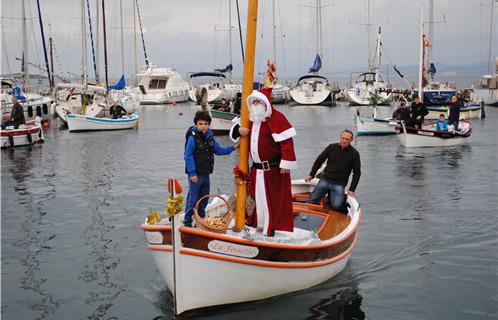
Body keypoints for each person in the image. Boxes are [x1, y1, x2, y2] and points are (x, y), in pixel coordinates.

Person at [231, 88, 297, 236]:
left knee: (271, 200)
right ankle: (257, 225)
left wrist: (286, 163)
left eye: (258, 101)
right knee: (256, 198)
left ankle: (270, 228)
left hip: (273, 170)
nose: (256, 104)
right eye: (253, 101)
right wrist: (238, 131)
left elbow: (286, 142)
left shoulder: (277, 118)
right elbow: (236, 130)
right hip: (256, 170)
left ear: (266, 103)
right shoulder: (250, 118)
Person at [183, 110, 239, 227]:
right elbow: (188, 156)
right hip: (195, 175)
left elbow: (218, 150)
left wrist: (233, 148)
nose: (203, 126)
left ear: (209, 124)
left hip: (205, 174)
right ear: (196, 124)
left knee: (204, 197)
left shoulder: (209, 137)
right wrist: (192, 173)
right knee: (193, 199)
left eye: (206, 124)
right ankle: (187, 220)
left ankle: (201, 218)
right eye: (200, 124)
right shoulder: (192, 138)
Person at [304, 130, 361, 214]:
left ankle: (334, 196)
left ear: (351, 140)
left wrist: (352, 189)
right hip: (325, 179)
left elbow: (357, 173)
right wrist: (311, 175)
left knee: (336, 206)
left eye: (347, 139)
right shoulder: (331, 147)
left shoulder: (354, 154)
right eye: (343, 138)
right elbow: (319, 160)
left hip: (339, 184)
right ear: (340, 138)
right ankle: (329, 194)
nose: (344, 141)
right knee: (312, 200)